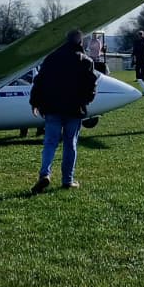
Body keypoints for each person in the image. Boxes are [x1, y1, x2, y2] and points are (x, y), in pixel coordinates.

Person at [28, 29, 97, 193]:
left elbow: (39, 81)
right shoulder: (86, 61)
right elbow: (91, 85)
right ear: (81, 42)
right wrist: (85, 101)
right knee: (70, 144)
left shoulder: (51, 59)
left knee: (50, 143)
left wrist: (35, 102)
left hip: (52, 107)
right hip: (74, 109)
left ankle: (45, 174)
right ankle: (68, 180)